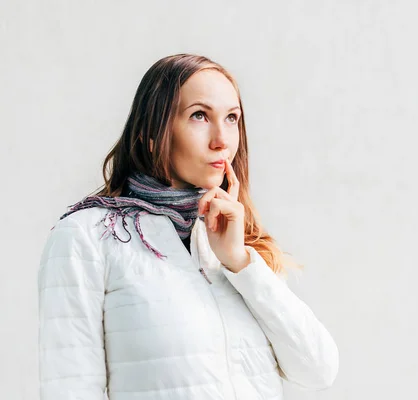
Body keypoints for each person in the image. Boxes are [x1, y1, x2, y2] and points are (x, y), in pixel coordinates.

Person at [37, 54, 339, 400]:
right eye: (199, 115)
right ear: (152, 131)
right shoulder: (87, 238)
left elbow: (318, 370)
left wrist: (240, 262)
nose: (221, 140)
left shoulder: (236, 241)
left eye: (232, 118)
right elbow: (70, 388)